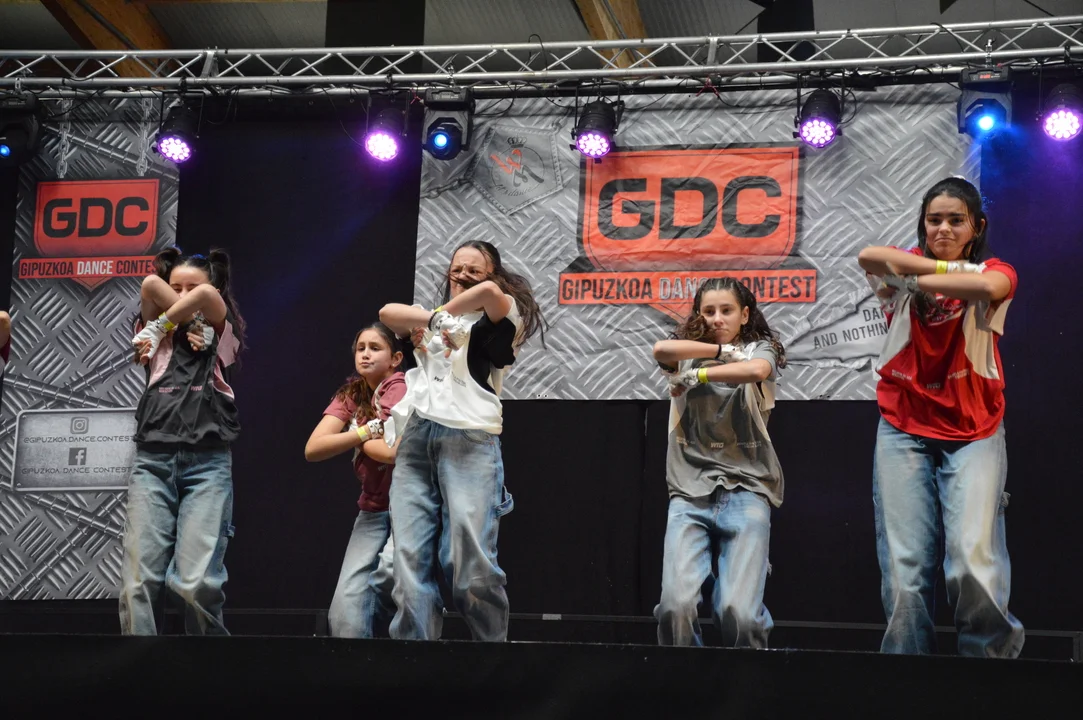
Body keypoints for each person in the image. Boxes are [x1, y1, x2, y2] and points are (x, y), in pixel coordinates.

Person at [857, 176, 1024, 657]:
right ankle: (908, 678)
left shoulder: (995, 270)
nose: (944, 228)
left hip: (974, 427)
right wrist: (937, 270)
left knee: (972, 559)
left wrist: (916, 274)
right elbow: (869, 256)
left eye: (956, 220)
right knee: (904, 568)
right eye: (934, 220)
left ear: (977, 227)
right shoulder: (903, 262)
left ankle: (987, 676)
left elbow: (987, 285)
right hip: (903, 424)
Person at [378, 240, 544, 641]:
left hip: (469, 438)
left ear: (493, 274)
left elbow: (488, 293)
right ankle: (414, 659)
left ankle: (491, 656)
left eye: (474, 269)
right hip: (418, 438)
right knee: (406, 561)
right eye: (457, 269)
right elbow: (386, 313)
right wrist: (437, 320)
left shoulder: (502, 317)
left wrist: (440, 318)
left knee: (468, 566)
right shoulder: (433, 317)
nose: (464, 275)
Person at [651, 277, 785, 648]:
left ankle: (744, 682)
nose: (717, 318)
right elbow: (661, 349)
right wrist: (719, 352)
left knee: (738, 614)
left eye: (726, 310)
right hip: (689, 490)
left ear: (745, 314)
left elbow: (755, 371)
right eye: (708, 311)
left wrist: (698, 374)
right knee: (675, 608)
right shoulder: (686, 352)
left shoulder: (760, 349)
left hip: (748, 488)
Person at [119, 247, 245, 636]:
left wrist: (164, 323)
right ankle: (137, 668)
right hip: (152, 462)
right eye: (177, 288)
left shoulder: (221, 331)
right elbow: (150, 284)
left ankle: (207, 670)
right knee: (139, 583)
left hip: (207, 464)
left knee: (196, 585)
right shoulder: (153, 331)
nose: (185, 294)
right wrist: (161, 327)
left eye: (192, 287)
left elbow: (207, 299)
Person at [304, 322, 405, 638]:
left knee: (390, 575)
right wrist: (364, 432)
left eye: (375, 348)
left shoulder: (403, 386)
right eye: (361, 348)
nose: (365, 354)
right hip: (373, 508)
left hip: (410, 506)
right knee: (345, 611)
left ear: (396, 358)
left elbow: (391, 452)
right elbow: (314, 448)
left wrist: (354, 437)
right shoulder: (352, 394)